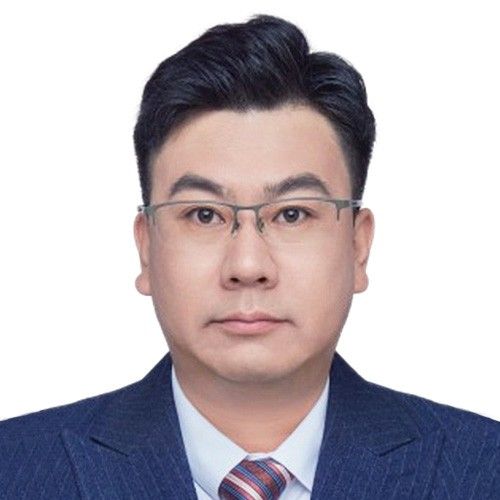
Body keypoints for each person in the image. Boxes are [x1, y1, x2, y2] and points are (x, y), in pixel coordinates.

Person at [1, 13, 498, 500]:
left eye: (292, 214)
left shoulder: (482, 471)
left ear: (358, 246)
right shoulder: (15, 470)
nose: (247, 267)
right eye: (203, 215)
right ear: (146, 247)